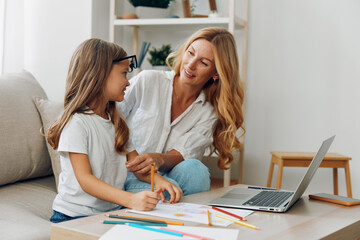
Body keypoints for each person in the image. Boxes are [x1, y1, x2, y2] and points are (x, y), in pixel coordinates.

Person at [46, 38, 182, 223]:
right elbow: (85, 180)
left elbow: (137, 167)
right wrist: (130, 200)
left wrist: (159, 180)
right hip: (73, 216)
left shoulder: (118, 123)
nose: (128, 83)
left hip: (110, 212)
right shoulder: (77, 124)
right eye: (124, 74)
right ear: (99, 75)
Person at [119, 27, 245, 197]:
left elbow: (185, 152)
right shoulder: (147, 80)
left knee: (196, 171)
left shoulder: (208, 111)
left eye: (203, 62)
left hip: (168, 173)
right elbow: (110, 118)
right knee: (170, 190)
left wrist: (160, 159)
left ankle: (179, 214)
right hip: (129, 175)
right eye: (190, 53)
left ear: (216, 73)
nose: (191, 65)